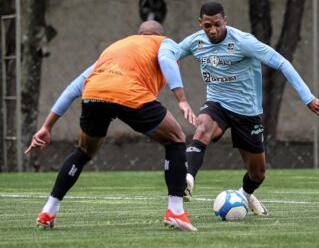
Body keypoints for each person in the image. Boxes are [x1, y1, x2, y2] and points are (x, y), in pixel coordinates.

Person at [25, 20, 198, 232]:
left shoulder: (116, 48)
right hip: (129, 94)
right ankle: (175, 211)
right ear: (158, 34)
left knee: (84, 150)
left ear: (139, 33)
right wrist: (180, 98)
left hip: (94, 94)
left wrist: (46, 126)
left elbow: (73, 88)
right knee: (175, 138)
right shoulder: (164, 42)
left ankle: (48, 210)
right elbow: (165, 58)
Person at [179, 1, 319, 216]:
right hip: (217, 104)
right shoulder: (195, 41)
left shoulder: (243, 42)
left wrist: (308, 97)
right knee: (202, 127)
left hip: (247, 113)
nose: (212, 30)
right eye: (207, 26)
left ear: (225, 21)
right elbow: (170, 54)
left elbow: (281, 62)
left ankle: (246, 194)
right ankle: (187, 178)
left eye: (217, 24)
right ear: (200, 24)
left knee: (258, 174)